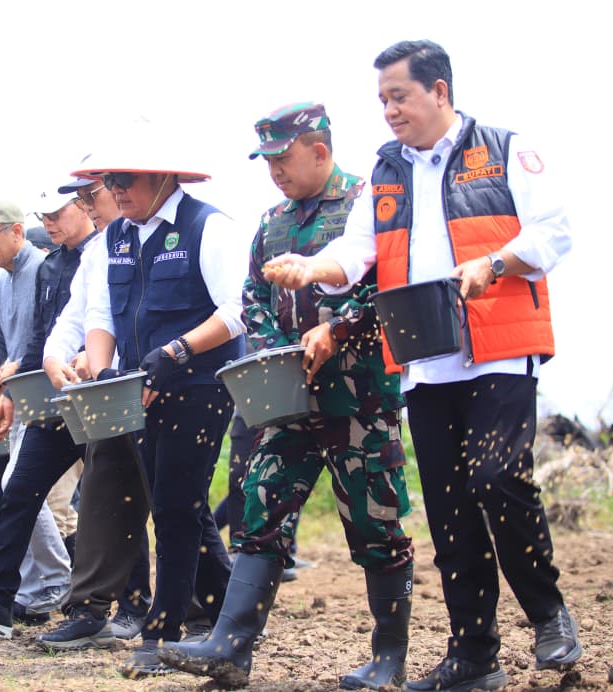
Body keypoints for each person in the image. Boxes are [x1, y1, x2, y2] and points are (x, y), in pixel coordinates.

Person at [265, 40, 580, 690]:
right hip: (426, 361)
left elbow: (554, 231)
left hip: (500, 350)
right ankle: (474, 654)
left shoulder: (503, 149)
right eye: (382, 99)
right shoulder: (387, 170)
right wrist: (310, 267)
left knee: (496, 478)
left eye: (399, 96)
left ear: (439, 91)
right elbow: (356, 252)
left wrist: (494, 263)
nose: (389, 110)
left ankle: (549, 613)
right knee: (449, 507)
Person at [158, 102, 414, 689]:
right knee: (260, 510)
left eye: (283, 158)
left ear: (319, 151)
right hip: (287, 400)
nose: (275, 171)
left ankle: (389, 656)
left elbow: (388, 285)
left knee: (376, 524)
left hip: (359, 400)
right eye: (268, 161)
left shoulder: (366, 206)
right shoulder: (272, 222)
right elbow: (252, 295)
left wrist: (338, 329)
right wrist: (278, 348)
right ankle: (231, 647)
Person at [76, 140, 251, 677]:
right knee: (174, 504)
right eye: (110, 182)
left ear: (163, 176)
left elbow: (237, 308)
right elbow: (101, 313)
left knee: (175, 507)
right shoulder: (115, 238)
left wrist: (177, 352)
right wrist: (104, 372)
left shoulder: (207, 226)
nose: (115, 191)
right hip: (138, 390)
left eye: (125, 180)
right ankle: (228, 611)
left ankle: (163, 631)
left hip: (198, 385)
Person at [0, 188, 97, 639]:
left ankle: (75, 587)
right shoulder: (21, 277)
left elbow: (62, 331)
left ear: (15, 232)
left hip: (73, 390)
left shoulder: (57, 265)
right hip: (33, 394)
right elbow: (15, 341)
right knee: (19, 490)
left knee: (113, 495)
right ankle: (16, 594)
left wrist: (17, 375)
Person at [34, 174, 155, 648]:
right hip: (109, 388)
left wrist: (105, 361)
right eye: (81, 198)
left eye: (92, 196)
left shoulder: (172, 233)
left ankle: (213, 609)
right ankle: (89, 609)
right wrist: (56, 356)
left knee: (171, 501)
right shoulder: (100, 249)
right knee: (104, 493)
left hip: (160, 384)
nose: (87, 206)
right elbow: (86, 315)